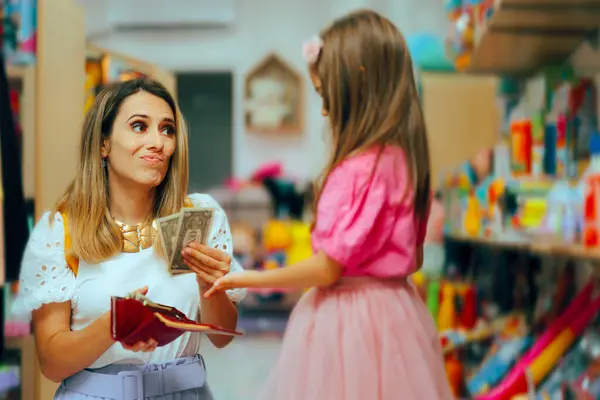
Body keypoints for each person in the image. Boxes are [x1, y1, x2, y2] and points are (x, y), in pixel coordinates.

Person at [204, 10, 453, 400]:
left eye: (325, 95)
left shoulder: (356, 170)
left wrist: (246, 278)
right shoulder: (405, 162)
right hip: (398, 314)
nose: (323, 110)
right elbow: (415, 259)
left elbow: (327, 268)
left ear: (358, 85)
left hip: (347, 324)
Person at [12, 78, 246, 399]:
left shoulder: (194, 217)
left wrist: (210, 285)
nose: (158, 142)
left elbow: (222, 337)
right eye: (139, 126)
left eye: (167, 130)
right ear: (103, 144)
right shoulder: (61, 230)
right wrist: (115, 325)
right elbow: (52, 364)